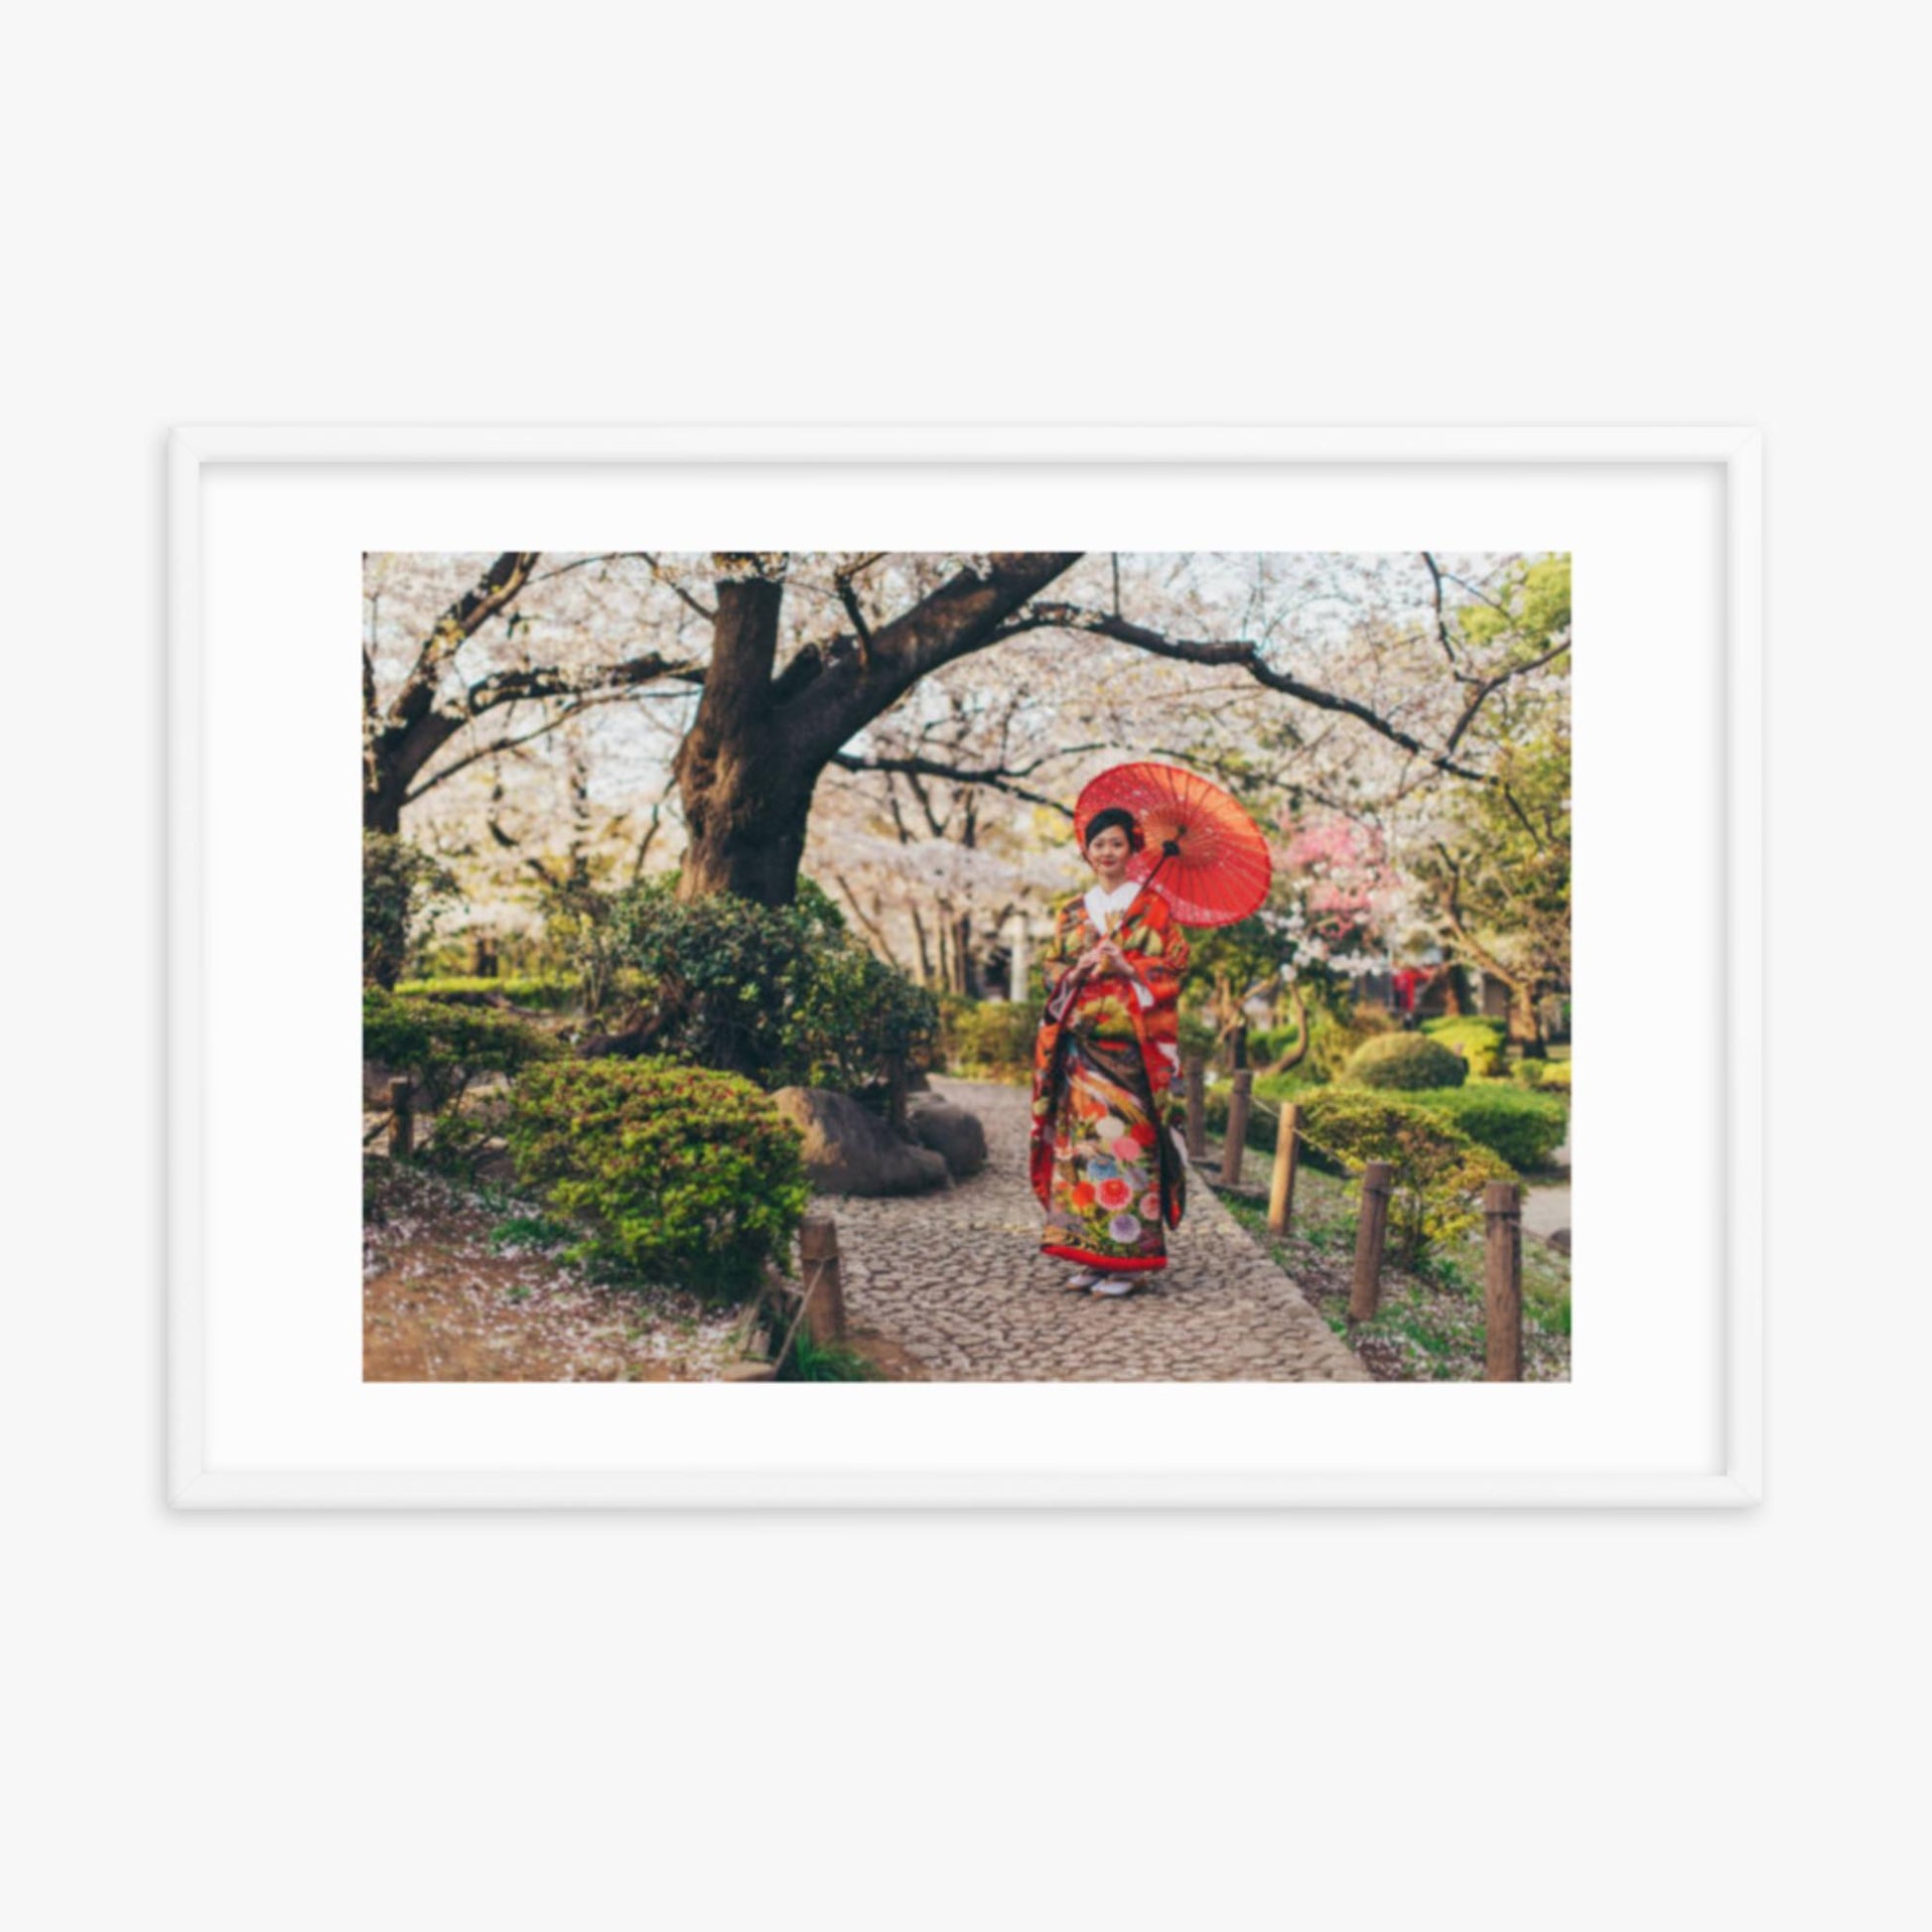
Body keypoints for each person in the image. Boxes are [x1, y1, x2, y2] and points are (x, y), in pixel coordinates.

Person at [1029, 806, 1191, 1295]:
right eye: (1098, 844)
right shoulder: (1072, 911)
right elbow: (1050, 971)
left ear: (1133, 849)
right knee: (1082, 1152)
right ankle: (1092, 1253)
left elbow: (1176, 967)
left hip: (1132, 1056)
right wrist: (1075, 972)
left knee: (1126, 1150)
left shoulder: (1153, 908)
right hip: (1080, 1053)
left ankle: (1129, 1260)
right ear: (1087, 850)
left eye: (1116, 844)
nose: (1106, 853)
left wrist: (1129, 968)